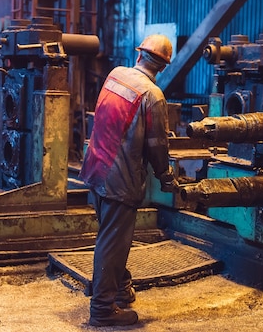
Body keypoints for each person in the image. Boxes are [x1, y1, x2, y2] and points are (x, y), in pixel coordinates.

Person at [79, 34, 179, 327]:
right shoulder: (153, 95)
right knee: (113, 243)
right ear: (163, 67)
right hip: (119, 180)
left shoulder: (115, 75)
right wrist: (165, 175)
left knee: (111, 236)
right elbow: (157, 145)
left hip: (96, 167)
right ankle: (102, 309)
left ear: (139, 55)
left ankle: (120, 289)